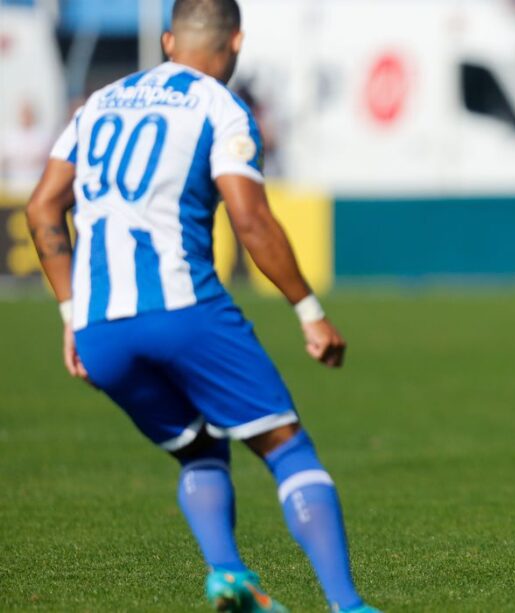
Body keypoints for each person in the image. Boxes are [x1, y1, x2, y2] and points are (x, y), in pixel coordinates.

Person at [25, 1, 377, 611]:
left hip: (98, 325)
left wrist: (69, 314)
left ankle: (228, 574)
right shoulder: (219, 104)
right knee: (287, 447)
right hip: (183, 309)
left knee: (196, 446)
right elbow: (251, 220)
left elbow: (41, 208)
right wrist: (309, 309)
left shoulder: (97, 104)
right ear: (236, 40)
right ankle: (347, 605)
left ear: (166, 40)